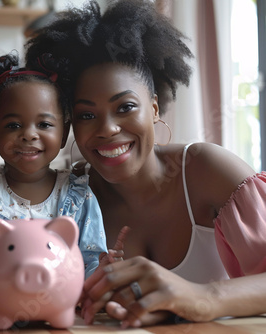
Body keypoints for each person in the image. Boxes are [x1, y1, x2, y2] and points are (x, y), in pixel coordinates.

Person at [25, 0, 266, 328]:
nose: (107, 128)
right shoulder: (66, 197)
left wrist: (200, 296)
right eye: (86, 115)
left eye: (124, 107)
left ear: (153, 108)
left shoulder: (205, 170)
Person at [0, 52, 107, 308]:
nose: (29, 135)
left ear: (63, 134)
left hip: (60, 308)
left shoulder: (79, 196)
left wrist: (99, 278)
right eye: (14, 126)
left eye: (44, 125)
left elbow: (90, 259)